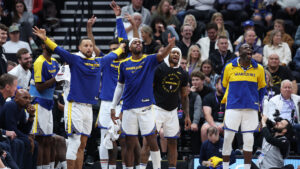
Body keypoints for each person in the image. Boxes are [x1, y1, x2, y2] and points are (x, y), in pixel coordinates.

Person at [110, 34, 176, 169]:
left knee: (152, 141)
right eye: (135, 43)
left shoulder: (149, 60)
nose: (139, 44)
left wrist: (170, 46)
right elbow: (119, 86)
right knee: (129, 143)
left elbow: (162, 55)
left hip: (146, 108)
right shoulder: (123, 64)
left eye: (140, 42)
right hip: (128, 108)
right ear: (129, 48)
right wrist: (113, 106)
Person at [140, 47, 191, 168]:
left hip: (172, 111)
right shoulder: (159, 68)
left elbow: (184, 96)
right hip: (156, 109)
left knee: (173, 142)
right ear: (168, 54)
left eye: (178, 53)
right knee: (148, 141)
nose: (175, 55)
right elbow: (149, 88)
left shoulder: (183, 73)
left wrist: (187, 115)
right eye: (173, 52)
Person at [221, 43, 266, 169]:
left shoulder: (260, 68)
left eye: (250, 48)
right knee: (228, 138)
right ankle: (225, 167)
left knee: (249, 140)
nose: (249, 50)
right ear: (239, 52)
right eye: (245, 48)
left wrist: (256, 102)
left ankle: (247, 168)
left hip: (251, 108)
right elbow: (224, 84)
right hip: (233, 106)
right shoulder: (229, 67)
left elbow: (262, 88)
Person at [29, 35, 59, 169]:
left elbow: (56, 84)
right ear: (43, 46)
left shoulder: (55, 62)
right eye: (50, 43)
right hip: (38, 102)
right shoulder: (39, 62)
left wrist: (63, 79)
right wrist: (57, 78)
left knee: (48, 139)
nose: (53, 45)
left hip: (49, 102)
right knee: (39, 140)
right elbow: (40, 87)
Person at [0, 89, 37, 169]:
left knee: (35, 143)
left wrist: (31, 116)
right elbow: (11, 128)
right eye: (25, 98)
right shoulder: (11, 105)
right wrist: (27, 137)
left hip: (11, 134)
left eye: (29, 98)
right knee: (21, 143)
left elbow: (24, 130)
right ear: (16, 98)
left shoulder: (22, 110)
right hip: (3, 134)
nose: (28, 101)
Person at [201, 78, 224, 143]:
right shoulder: (208, 97)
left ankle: (227, 151)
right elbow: (207, 114)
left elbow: (231, 115)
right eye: (221, 84)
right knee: (204, 128)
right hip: (212, 122)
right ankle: (206, 150)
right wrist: (214, 126)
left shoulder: (230, 97)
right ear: (216, 85)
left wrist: (223, 125)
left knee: (229, 130)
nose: (223, 86)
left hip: (225, 123)